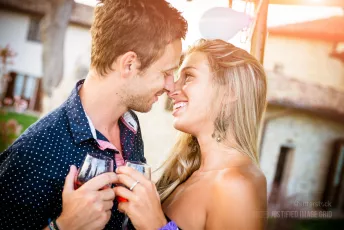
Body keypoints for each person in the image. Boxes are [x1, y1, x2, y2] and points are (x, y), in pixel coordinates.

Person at [0, 0, 187, 229]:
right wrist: (62, 227)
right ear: (129, 64)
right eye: (167, 72)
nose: (171, 86)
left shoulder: (130, 125)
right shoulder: (33, 154)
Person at [114, 39, 268, 230]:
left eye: (188, 77)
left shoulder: (236, 186)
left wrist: (157, 226)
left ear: (230, 92)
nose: (171, 89)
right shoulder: (189, 172)